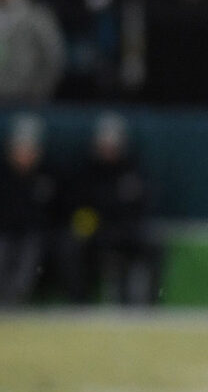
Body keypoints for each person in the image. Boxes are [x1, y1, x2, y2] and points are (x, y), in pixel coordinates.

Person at [62, 112, 160, 305]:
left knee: (152, 246)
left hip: (126, 229)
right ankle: (79, 303)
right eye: (104, 144)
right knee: (69, 246)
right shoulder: (86, 170)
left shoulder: (133, 169)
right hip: (95, 229)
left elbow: (143, 203)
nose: (108, 150)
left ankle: (148, 304)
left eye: (113, 145)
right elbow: (76, 204)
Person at [0, 114, 60, 305]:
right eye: (19, 149)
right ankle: (1, 297)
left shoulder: (48, 175)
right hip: (3, 230)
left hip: (33, 232)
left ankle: (17, 298)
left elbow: (59, 209)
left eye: (29, 149)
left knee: (31, 251)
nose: (24, 154)